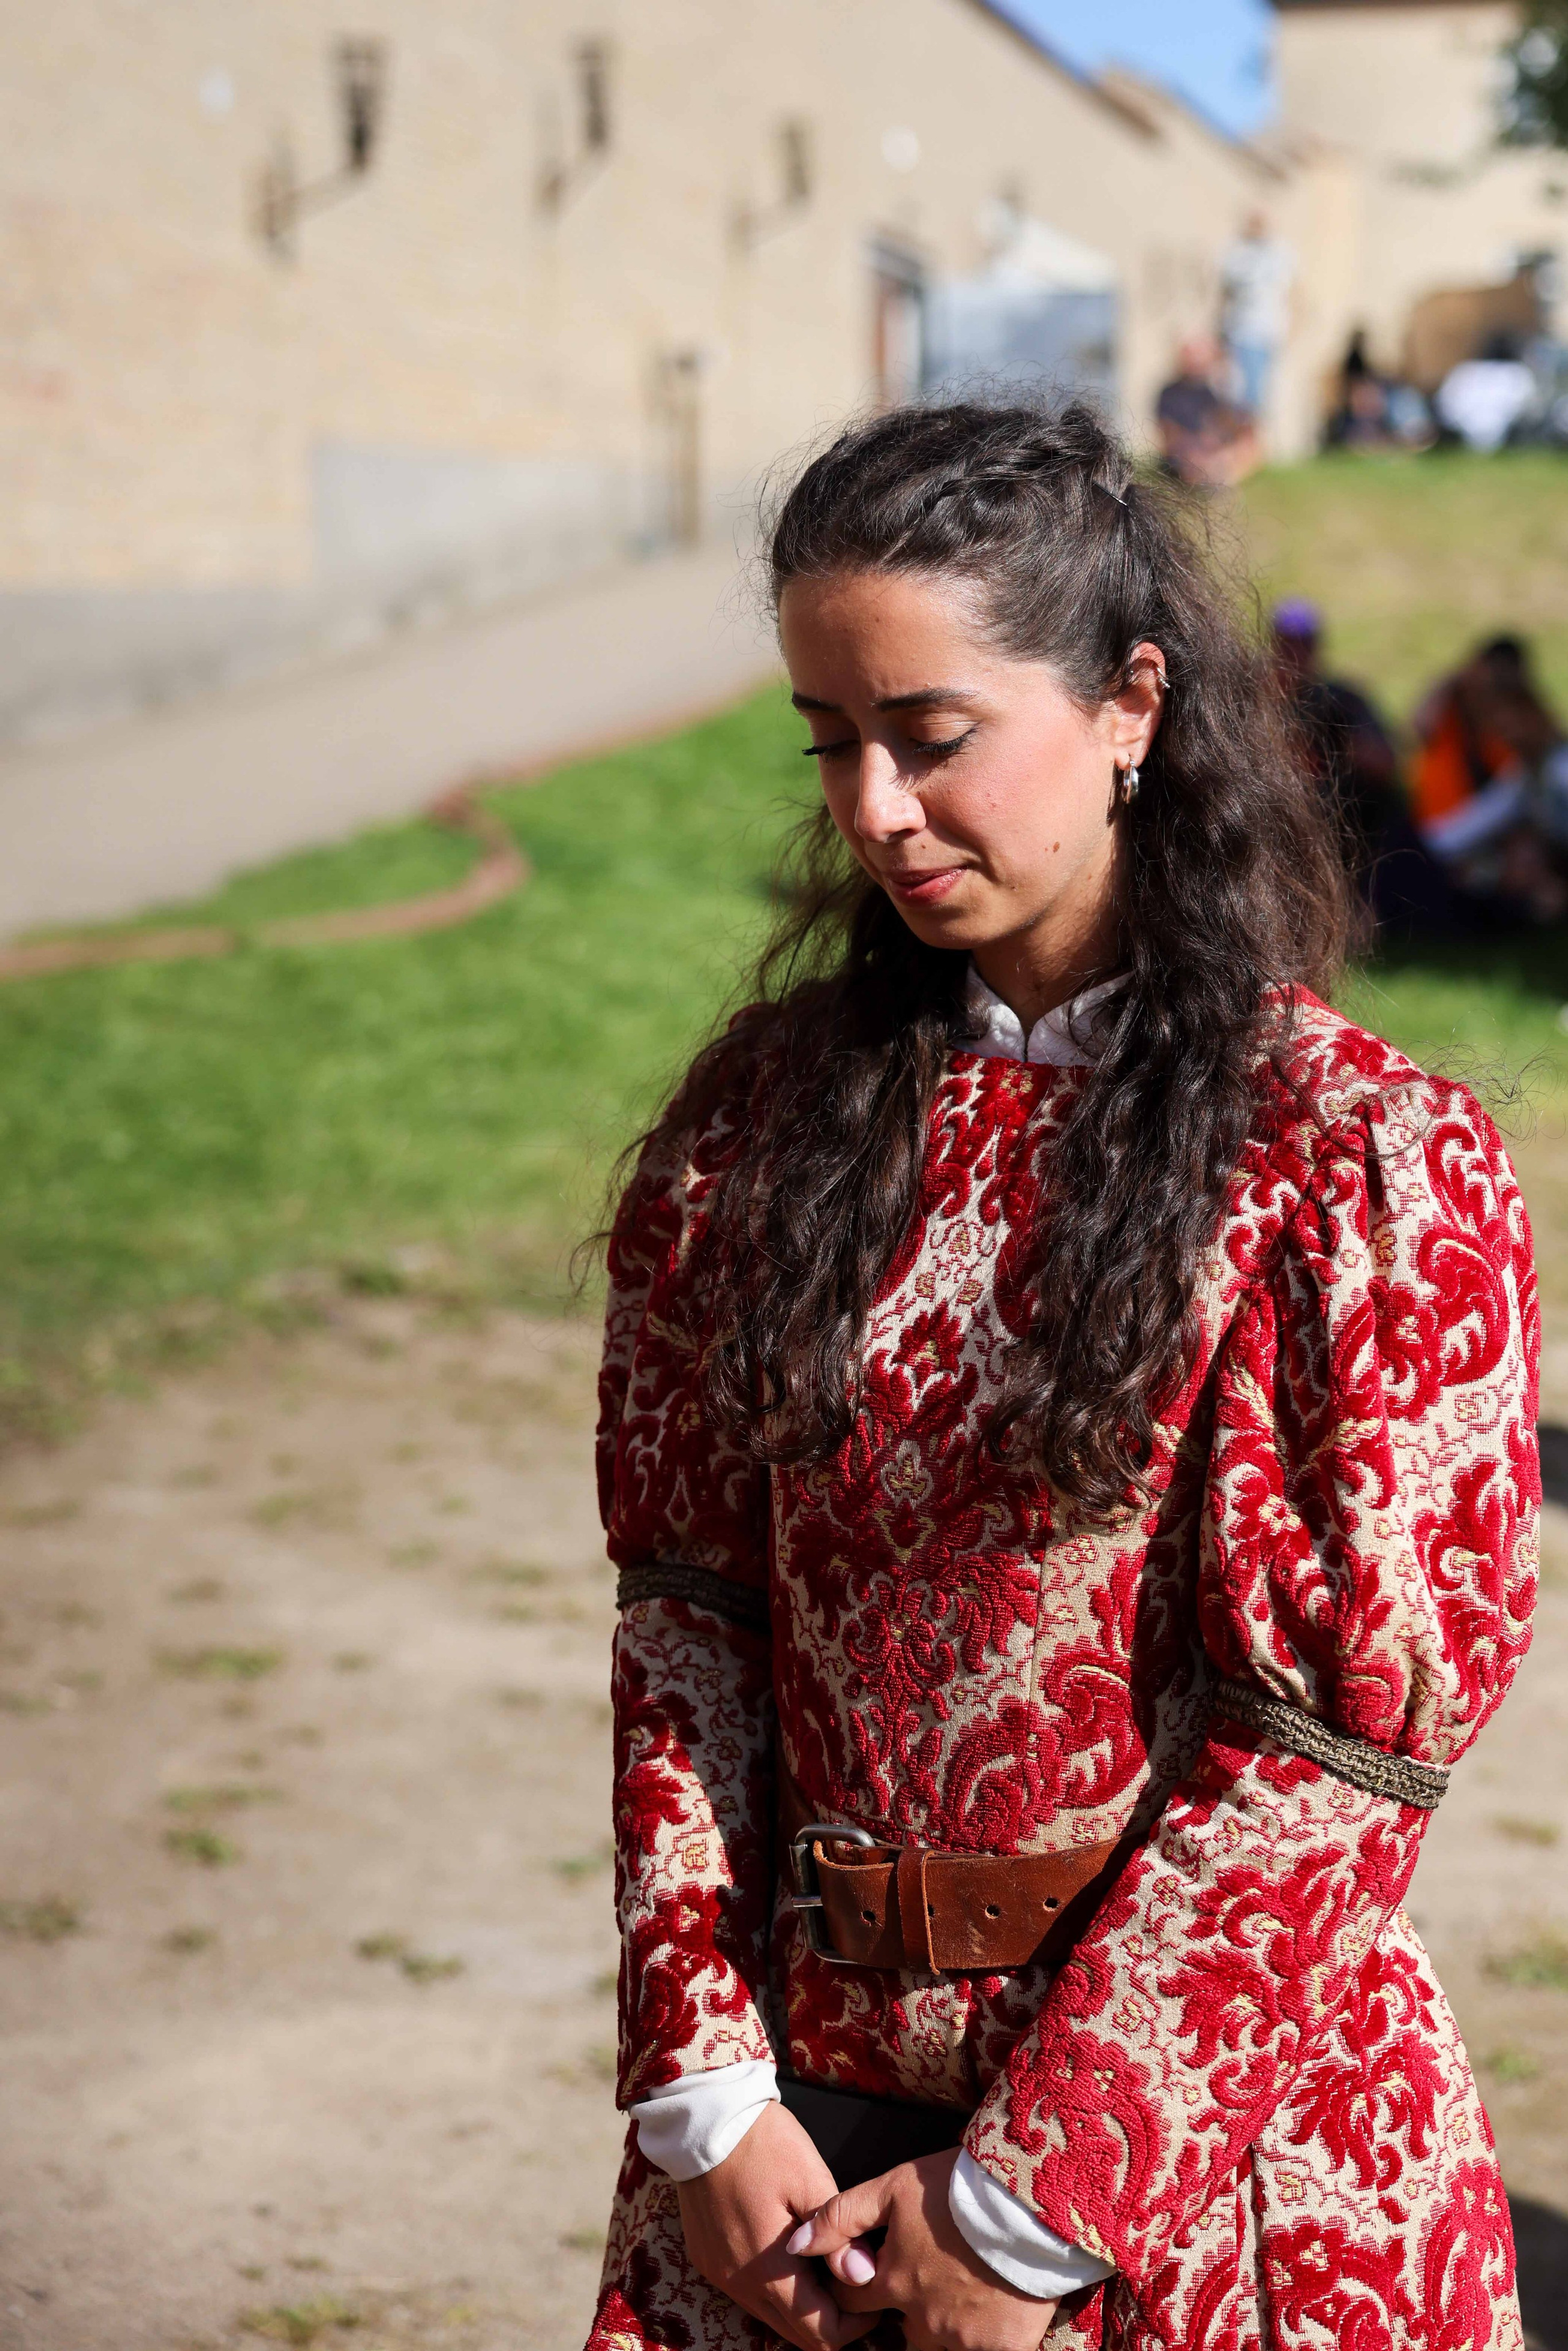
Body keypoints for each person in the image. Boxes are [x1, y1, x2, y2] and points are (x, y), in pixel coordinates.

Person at [588, 404, 1537, 2351]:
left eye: (928, 738)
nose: (867, 808)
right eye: (828, 742)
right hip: (795, 2133)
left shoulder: (1351, 1163)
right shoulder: (759, 1129)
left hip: (1204, 2164)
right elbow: (688, 1613)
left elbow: (1339, 1749)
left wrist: (1027, 2206)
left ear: (1128, 705)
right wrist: (702, 2080)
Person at [1271, 595, 1455, 936]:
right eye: (1285, 645)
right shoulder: (1254, 700)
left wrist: (1338, 745)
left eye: (1301, 645)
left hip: (1353, 824)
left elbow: (1388, 766)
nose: (1292, 656)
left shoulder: (1342, 699)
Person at [1412, 633, 1567, 920]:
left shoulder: (1560, 770)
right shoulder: (1522, 777)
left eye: (1513, 718)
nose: (1506, 731)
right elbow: (1467, 829)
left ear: (1534, 713)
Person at [1153, 333, 1259, 488]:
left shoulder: (1213, 390)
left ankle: (1220, 481)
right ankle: (1211, 481)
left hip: (1212, 447)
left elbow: (1230, 422)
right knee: (1196, 457)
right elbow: (1169, 433)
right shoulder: (1170, 394)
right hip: (1188, 449)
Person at [1219, 209, 1294, 426]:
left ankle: (1253, 441)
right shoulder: (1235, 253)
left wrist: (1291, 332)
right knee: (1239, 391)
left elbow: (1296, 295)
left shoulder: (1282, 253)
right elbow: (1224, 295)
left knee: (1261, 392)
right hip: (1239, 333)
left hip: (1269, 334)